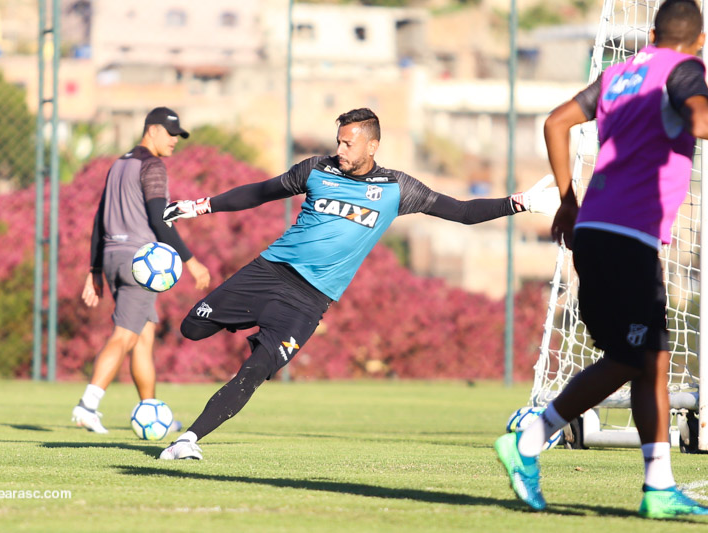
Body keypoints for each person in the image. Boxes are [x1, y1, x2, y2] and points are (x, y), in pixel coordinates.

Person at [156, 107, 559, 460]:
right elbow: (261, 192)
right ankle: (241, 319)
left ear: (372, 146)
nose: (340, 151)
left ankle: (188, 440)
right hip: (269, 272)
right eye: (338, 142)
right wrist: (199, 206)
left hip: (308, 302)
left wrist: (516, 203)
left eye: (348, 144)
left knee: (255, 371)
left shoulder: (398, 189)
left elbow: (462, 211)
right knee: (192, 329)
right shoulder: (315, 169)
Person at [494, 0, 708, 519]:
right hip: (629, 237)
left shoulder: (618, 74)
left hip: (595, 228)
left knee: (649, 359)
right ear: (698, 41)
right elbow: (699, 120)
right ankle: (530, 438)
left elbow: (556, 122)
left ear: (653, 32)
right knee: (634, 358)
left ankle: (658, 486)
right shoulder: (684, 70)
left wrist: (568, 199)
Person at [72, 107, 211, 434]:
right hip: (140, 263)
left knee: (143, 337)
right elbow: (157, 217)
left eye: (178, 135)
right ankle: (87, 405)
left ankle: (151, 410)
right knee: (124, 336)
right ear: (152, 130)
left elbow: (98, 218)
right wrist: (191, 260)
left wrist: (94, 269)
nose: (175, 141)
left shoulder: (120, 164)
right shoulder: (152, 166)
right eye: (171, 133)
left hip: (112, 257)